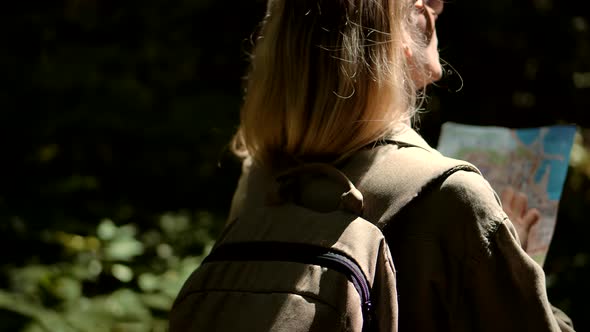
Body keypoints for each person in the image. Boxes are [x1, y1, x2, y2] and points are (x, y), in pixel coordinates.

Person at [203, 0, 576, 330]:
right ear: (405, 30)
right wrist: (520, 268)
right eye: (425, 2)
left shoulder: (259, 179)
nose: (439, 7)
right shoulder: (453, 196)